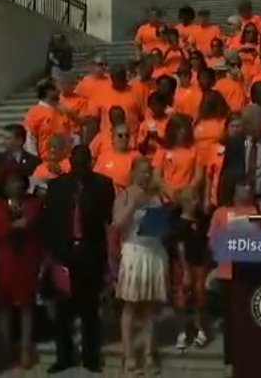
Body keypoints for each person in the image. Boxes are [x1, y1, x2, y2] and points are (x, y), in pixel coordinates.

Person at [41, 145, 115, 374]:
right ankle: (64, 356)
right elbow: (50, 220)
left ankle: (91, 356)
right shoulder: (57, 186)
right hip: (64, 253)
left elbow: (106, 217)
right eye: (77, 160)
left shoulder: (102, 184)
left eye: (85, 159)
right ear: (70, 161)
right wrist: (52, 253)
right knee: (62, 309)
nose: (80, 164)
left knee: (90, 309)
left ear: (90, 161)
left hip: (90, 251)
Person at [113, 157, 170, 374]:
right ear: (134, 172)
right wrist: (132, 205)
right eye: (143, 171)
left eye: (149, 171)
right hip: (134, 251)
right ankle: (128, 353)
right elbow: (117, 224)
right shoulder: (125, 195)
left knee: (149, 307)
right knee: (131, 305)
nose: (146, 175)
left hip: (154, 251)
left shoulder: (156, 196)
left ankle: (148, 352)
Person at [0, 171, 43, 370]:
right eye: (12, 182)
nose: (16, 186)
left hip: (27, 258)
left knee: (27, 304)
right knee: (4, 305)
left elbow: (30, 222)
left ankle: (26, 347)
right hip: (4, 259)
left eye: (19, 182)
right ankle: (5, 348)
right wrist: (14, 225)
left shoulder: (33, 203)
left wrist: (14, 225)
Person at [208, 175, 260, 372]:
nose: (247, 189)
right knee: (231, 320)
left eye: (249, 186)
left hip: (250, 271)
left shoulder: (256, 211)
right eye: (243, 185)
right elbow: (212, 242)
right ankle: (230, 361)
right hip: (228, 272)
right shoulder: (221, 213)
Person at [168, 188, 211, 351]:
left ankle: (200, 329)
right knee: (182, 299)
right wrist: (185, 270)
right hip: (183, 264)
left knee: (200, 297)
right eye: (192, 199)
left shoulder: (202, 220)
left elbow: (206, 242)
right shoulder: (179, 223)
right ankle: (182, 332)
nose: (196, 202)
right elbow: (180, 248)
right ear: (184, 203)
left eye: (196, 198)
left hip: (199, 263)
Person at [0, 124, 41, 199]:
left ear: (19, 141)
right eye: (3, 138)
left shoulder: (33, 161)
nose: (3, 141)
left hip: (24, 201)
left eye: (8, 138)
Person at [153, 114, 205, 200]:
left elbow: (199, 176)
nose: (183, 133)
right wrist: (169, 191)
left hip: (187, 196)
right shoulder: (162, 150)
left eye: (185, 130)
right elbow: (156, 176)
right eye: (180, 130)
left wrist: (188, 191)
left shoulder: (195, 150)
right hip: (166, 197)